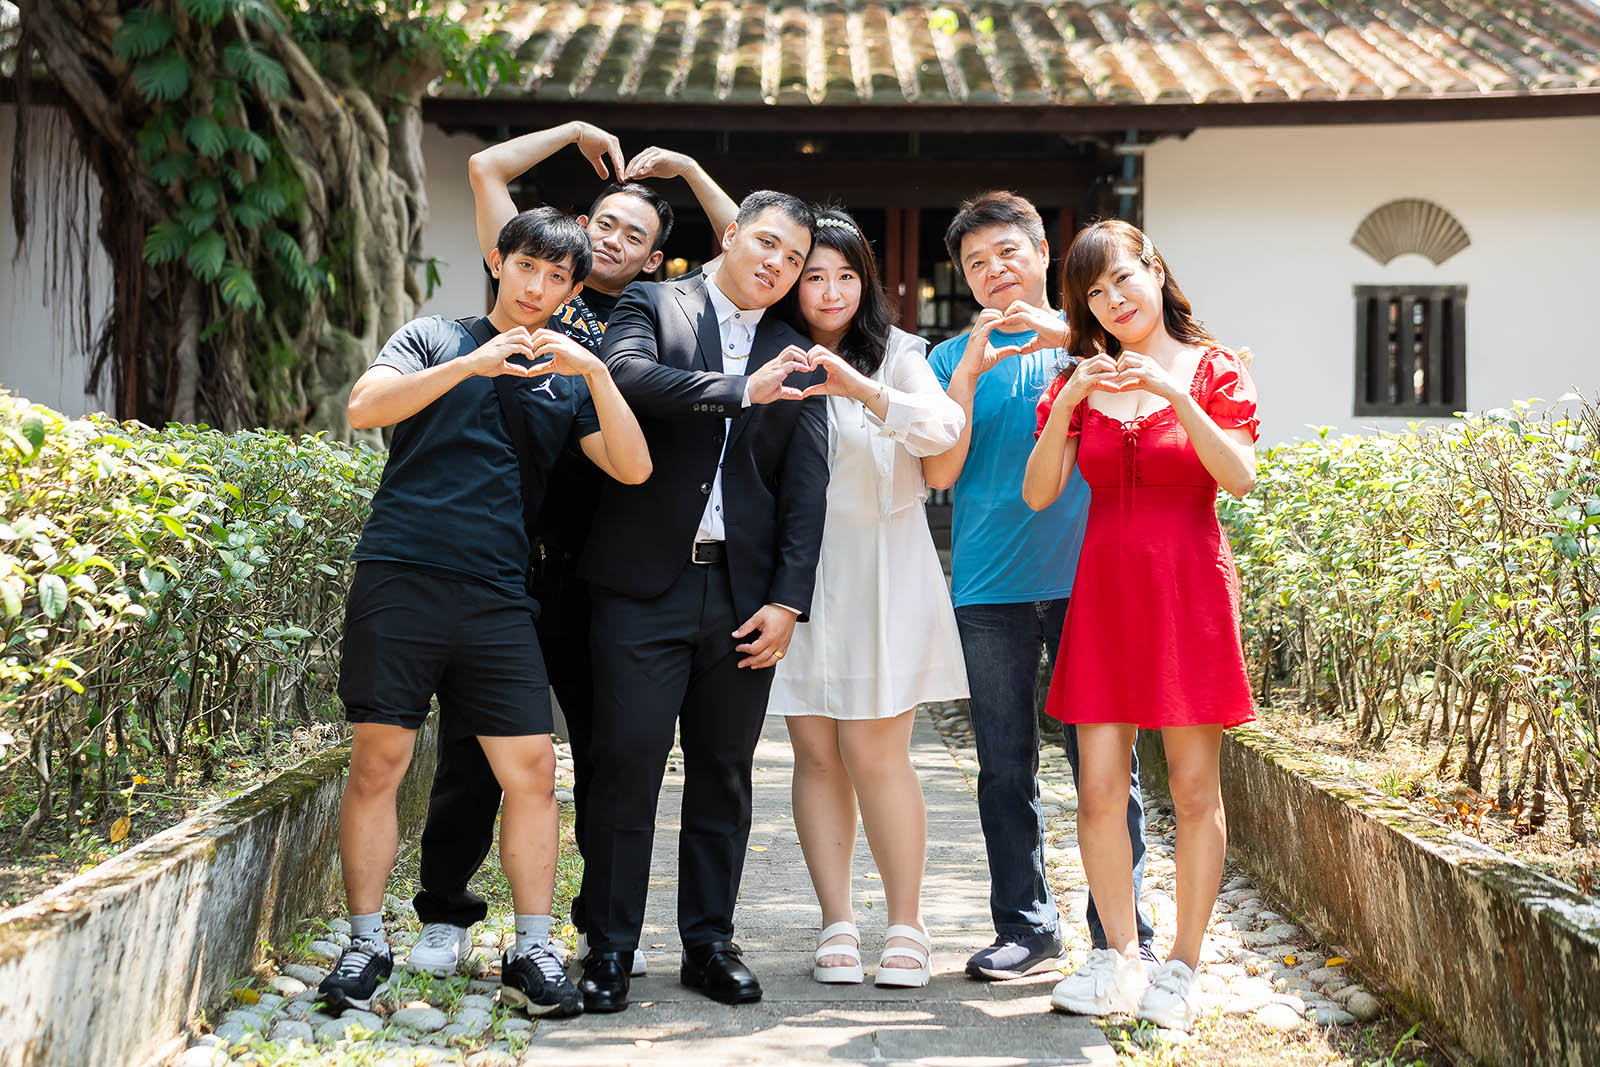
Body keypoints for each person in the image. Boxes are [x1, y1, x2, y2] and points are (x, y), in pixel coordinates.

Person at [406, 123, 739, 980]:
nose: (613, 239)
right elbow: (484, 167)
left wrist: (689, 167)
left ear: (657, 258)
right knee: (474, 747)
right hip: (506, 560)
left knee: (604, 752)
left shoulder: (662, 317)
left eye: (636, 234)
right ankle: (446, 908)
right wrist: (572, 133)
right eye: (606, 222)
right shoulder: (542, 287)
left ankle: (598, 925)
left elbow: (749, 244)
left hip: (605, 575)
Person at [318, 207, 652, 1018]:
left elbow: (633, 467)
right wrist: (472, 365)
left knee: (532, 770)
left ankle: (531, 949)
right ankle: (366, 943)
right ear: (499, 262)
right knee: (380, 763)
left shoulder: (566, 376)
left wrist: (596, 372)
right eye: (527, 266)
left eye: (557, 277)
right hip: (400, 577)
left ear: (572, 290)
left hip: (499, 594)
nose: (538, 286)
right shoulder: (436, 336)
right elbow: (365, 406)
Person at [573, 191, 829, 1014]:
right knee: (626, 765)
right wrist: (740, 389)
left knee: (724, 771)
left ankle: (710, 942)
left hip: (743, 596)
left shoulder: (798, 351)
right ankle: (610, 945)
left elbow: (805, 492)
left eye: (794, 259)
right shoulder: (654, 303)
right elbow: (625, 378)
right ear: (731, 234)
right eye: (767, 244)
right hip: (642, 584)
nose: (777, 265)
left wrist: (788, 600)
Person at [1023, 219, 1258, 1031]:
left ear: (1156, 270)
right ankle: (1119, 957)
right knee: (1097, 788)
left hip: (1188, 591)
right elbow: (1040, 493)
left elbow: (1239, 476)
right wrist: (1070, 400)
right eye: (1093, 292)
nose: (1113, 299)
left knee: (1192, 787)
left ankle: (1183, 967)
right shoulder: (1078, 381)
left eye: (1123, 277)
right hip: (1105, 595)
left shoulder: (1214, 368)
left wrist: (1175, 395)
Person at [921, 191, 1155, 981]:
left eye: (1007, 253)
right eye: (976, 262)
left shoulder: (1098, 342)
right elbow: (939, 471)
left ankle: (1123, 930)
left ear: (1044, 253)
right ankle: (1026, 925)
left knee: (1107, 764)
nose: (994, 271)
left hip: (1092, 579)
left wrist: (1067, 338)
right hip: (988, 586)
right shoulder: (947, 360)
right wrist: (967, 373)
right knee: (1003, 764)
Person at [767, 208, 968, 988]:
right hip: (796, 580)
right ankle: (837, 921)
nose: (830, 291)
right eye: (813, 275)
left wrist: (859, 387)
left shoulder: (899, 354)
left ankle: (908, 923)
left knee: (877, 753)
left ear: (867, 282)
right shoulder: (766, 352)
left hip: (882, 573)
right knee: (816, 754)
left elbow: (943, 429)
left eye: (846, 275)